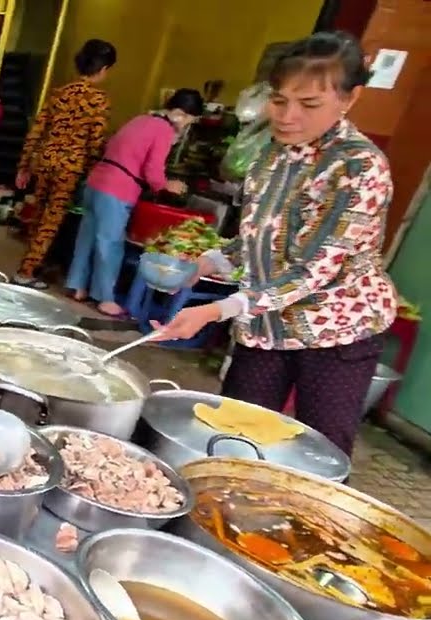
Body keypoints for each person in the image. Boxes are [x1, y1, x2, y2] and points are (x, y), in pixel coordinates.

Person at [152, 31, 393, 460]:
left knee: (319, 453)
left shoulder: (358, 167)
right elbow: (259, 236)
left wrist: (218, 309)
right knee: (232, 430)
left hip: (334, 331)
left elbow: (315, 270)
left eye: (309, 104)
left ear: (350, 98)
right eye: (279, 100)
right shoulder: (272, 155)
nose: (287, 116)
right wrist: (203, 264)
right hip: (266, 325)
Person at [66, 88, 202, 317]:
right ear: (179, 113)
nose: (187, 125)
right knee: (110, 244)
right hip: (117, 189)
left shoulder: (142, 118)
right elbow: (153, 170)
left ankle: (77, 286)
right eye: (189, 119)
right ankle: (104, 298)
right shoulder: (164, 129)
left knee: (87, 237)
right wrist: (168, 185)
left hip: (96, 182)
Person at [13, 39, 116, 289]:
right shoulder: (98, 100)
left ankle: (32, 264)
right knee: (52, 221)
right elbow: (95, 140)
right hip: (69, 169)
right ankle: (26, 271)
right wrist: (93, 168)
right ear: (103, 70)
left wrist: (25, 165)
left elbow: (37, 129)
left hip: (46, 161)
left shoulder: (60, 92)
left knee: (39, 215)